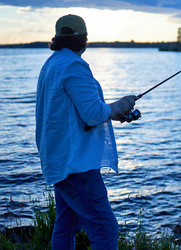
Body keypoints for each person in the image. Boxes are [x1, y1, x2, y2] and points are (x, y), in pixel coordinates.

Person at [35, 14, 137, 249]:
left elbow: (75, 111)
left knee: (66, 225)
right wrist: (120, 105)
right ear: (84, 39)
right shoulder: (73, 65)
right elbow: (92, 113)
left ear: (58, 38)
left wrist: (110, 111)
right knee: (105, 228)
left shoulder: (52, 63)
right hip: (76, 165)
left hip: (60, 160)